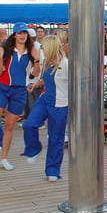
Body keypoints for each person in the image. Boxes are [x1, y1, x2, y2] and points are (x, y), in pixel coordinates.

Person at [22, 35, 68, 182]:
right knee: (29, 124)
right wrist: (36, 84)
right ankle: (34, 149)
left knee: (56, 138)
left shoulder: (66, 64)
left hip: (60, 104)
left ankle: (53, 169)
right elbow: (43, 78)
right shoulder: (46, 62)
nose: (41, 49)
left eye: (43, 47)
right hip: (45, 99)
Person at [0, 22, 41, 170]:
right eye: (20, 33)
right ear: (15, 34)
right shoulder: (6, 49)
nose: (23, 35)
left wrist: (36, 59)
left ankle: (4, 158)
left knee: (10, 126)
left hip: (19, 91)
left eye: (25, 33)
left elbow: (35, 74)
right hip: (2, 87)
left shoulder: (32, 52)